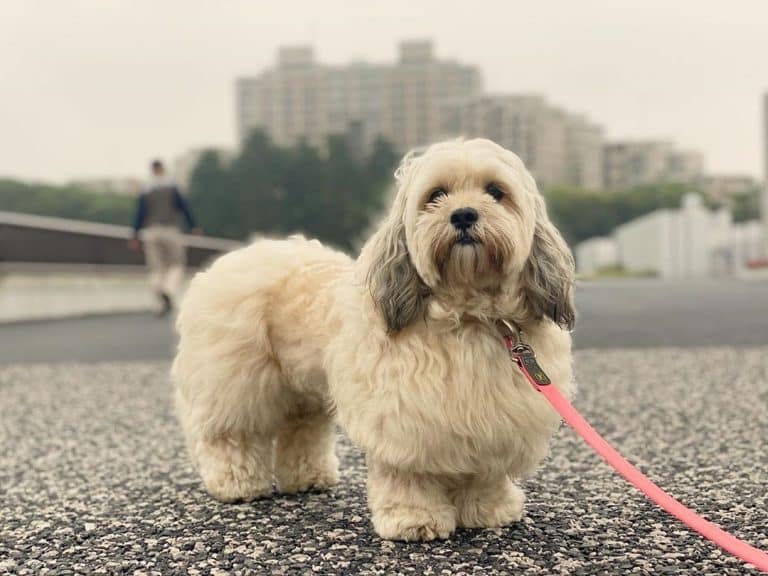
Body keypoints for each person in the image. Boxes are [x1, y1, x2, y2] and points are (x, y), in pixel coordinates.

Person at [129, 159, 200, 317]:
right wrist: (193, 226)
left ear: (152, 170)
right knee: (176, 264)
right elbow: (184, 207)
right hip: (170, 229)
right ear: (163, 169)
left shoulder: (146, 189)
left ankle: (159, 302)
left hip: (151, 232)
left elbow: (139, 214)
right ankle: (168, 290)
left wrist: (135, 235)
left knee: (156, 268)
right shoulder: (171, 186)